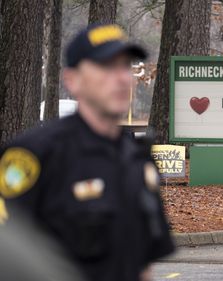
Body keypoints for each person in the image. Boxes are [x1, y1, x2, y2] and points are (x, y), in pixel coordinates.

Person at [0, 24, 175, 281]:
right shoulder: (34, 155)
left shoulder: (138, 160)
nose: (122, 78)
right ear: (72, 80)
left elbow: (142, 263)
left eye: (126, 66)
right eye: (107, 67)